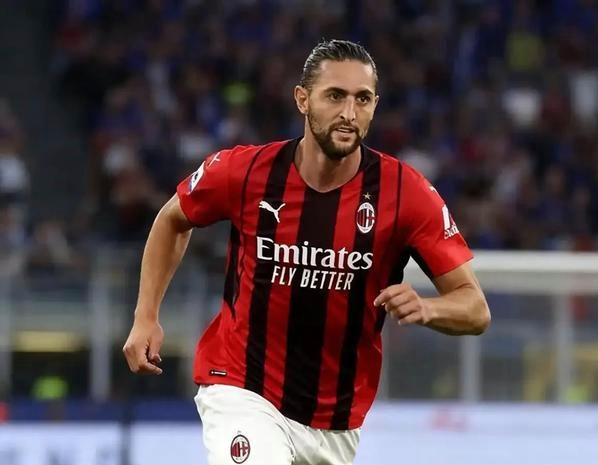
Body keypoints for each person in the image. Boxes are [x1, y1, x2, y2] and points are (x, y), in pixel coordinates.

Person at [123, 39, 490, 465]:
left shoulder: (406, 194)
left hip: (335, 422)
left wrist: (428, 308)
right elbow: (172, 219)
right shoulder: (245, 172)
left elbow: (475, 308)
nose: (349, 113)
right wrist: (146, 316)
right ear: (302, 99)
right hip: (243, 388)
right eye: (335, 96)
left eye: (362, 99)